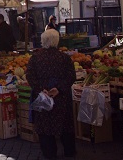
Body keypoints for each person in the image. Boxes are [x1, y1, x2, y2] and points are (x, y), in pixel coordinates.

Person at [26, 29, 76, 159]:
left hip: (44, 97)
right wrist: (59, 89)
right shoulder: (64, 58)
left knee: (45, 127)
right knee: (66, 126)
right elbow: (71, 76)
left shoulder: (36, 58)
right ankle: (69, 152)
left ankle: (50, 153)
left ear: (43, 41)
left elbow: (30, 76)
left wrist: (41, 89)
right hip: (61, 97)